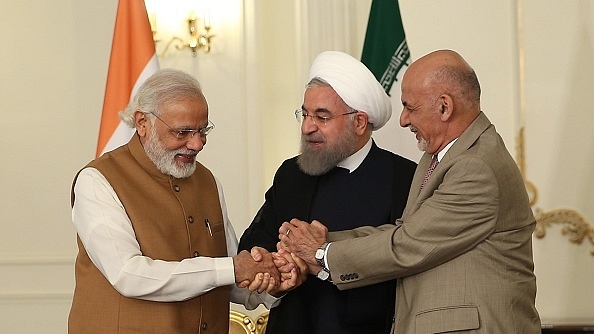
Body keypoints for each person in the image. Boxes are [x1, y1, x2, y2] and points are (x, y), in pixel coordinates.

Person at [279, 49, 542, 333]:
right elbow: (404, 230)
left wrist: (321, 254)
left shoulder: (476, 167)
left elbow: (407, 245)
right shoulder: (441, 157)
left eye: (410, 107)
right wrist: (322, 242)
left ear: (444, 107)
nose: (403, 120)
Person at [68, 69, 305, 334]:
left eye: (202, 130)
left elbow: (229, 277)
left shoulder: (207, 181)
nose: (197, 144)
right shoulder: (98, 180)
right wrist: (235, 267)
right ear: (142, 123)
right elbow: (128, 274)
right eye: (183, 132)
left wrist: (272, 283)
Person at [238, 51, 417, 334]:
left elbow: (408, 257)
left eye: (322, 117)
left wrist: (322, 253)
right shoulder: (291, 174)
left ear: (359, 122)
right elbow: (255, 241)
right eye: (305, 114)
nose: (307, 127)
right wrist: (272, 261)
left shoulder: (405, 178)